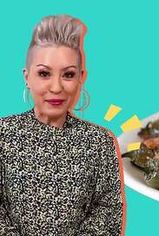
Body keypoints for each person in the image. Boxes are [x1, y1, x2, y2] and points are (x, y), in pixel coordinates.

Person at [0, 14, 126, 236]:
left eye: (68, 74)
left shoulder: (100, 142)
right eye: (44, 73)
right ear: (27, 77)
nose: (56, 87)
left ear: (81, 78)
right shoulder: (4, 134)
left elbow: (109, 211)